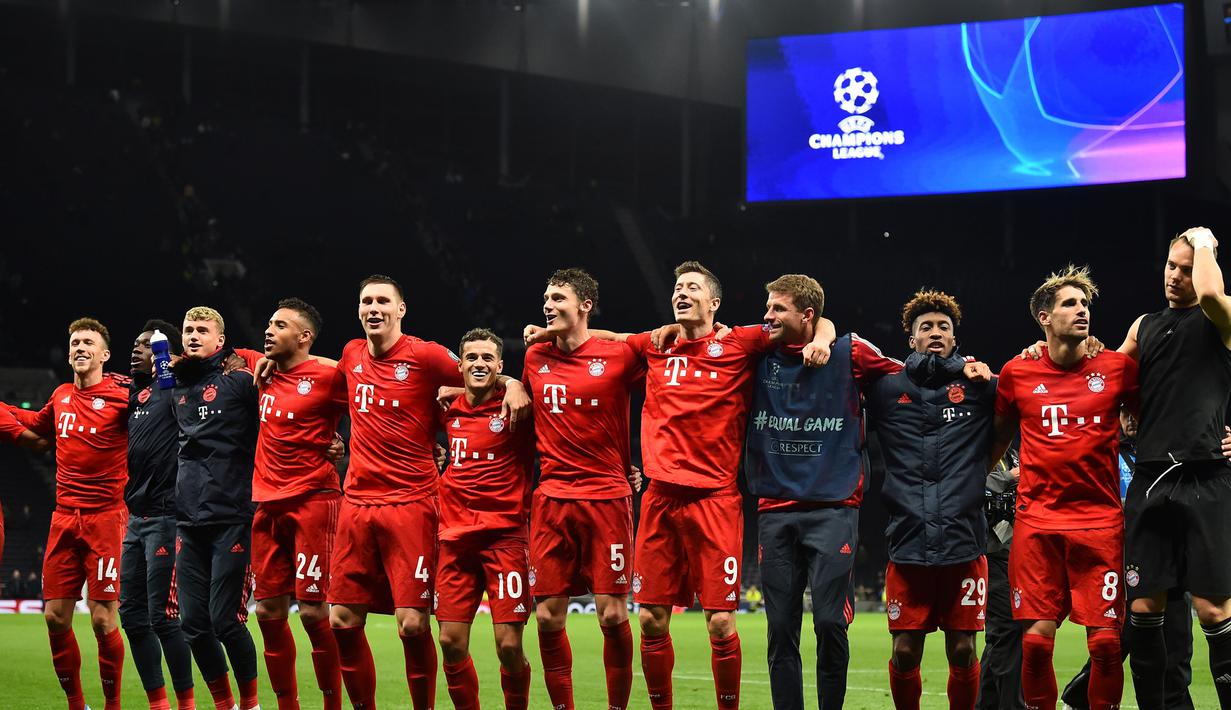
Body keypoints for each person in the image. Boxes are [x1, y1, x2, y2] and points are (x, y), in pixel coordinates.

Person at [526, 260, 835, 709]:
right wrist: (548, 335)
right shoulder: (655, 346)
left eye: (691, 287)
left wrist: (823, 338)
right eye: (676, 288)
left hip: (714, 500)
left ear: (714, 302)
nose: (681, 292)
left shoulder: (740, 342)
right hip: (659, 500)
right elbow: (602, 341)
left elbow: (810, 317)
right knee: (651, 620)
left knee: (721, 625)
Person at [327, 275, 528, 710]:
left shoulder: (428, 355)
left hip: (413, 503)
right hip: (356, 503)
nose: (374, 308)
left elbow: (481, 372)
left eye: (383, 301)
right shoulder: (351, 353)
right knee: (340, 620)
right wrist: (260, 360)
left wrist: (514, 383)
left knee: (414, 626)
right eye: (367, 301)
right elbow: (326, 379)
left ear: (401, 309)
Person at [743, 274, 898, 710]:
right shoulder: (754, 353)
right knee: (780, 630)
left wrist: (968, 369)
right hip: (774, 509)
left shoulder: (850, 352)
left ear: (807, 315)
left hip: (833, 509)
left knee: (830, 623)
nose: (766, 316)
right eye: (767, 307)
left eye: (777, 309)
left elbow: (908, 378)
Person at [991, 266, 1138, 710]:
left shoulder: (1117, 368)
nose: (1082, 311)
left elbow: (1157, 418)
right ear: (1044, 318)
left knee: (1107, 646)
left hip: (1100, 523)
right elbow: (995, 442)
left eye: (1086, 304)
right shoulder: (1017, 372)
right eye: (1070, 304)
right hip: (1036, 525)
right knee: (1035, 644)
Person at [866, 290, 996, 710]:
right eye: (926, 327)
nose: (936, 333)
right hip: (907, 539)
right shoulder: (886, 388)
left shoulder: (978, 386)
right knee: (905, 651)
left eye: (944, 327)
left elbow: (1021, 400)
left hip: (964, 539)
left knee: (962, 650)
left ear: (955, 339)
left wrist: (995, 376)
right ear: (911, 339)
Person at [1118, 227, 1231, 709]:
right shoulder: (1143, 326)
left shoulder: (1221, 319)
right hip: (1149, 480)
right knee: (1144, 607)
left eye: (1187, 268)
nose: (1177, 277)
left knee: (1212, 610)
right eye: (1171, 266)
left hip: (1205, 479)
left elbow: (1210, 292)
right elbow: (1100, 379)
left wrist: (1205, 240)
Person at [520, 268, 643, 710]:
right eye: (546, 298)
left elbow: (640, 343)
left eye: (558, 298)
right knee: (549, 616)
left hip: (607, 497)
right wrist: (515, 384)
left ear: (585, 306)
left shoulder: (620, 354)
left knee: (613, 613)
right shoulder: (534, 358)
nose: (548, 305)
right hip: (552, 498)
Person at [1, 318, 130, 710]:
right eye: (75, 341)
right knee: (56, 617)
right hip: (62, 518)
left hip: (106, 518)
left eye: (89, 342)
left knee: (103, 619)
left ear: (104, 354)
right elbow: (37, 429)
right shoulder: (59, 397)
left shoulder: (124, 393)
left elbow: (160, 414)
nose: (80, 347)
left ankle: (112, 705)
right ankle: (77, 705)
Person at [1060, 410, 1196, 710]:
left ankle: (1078, 696)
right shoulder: (1106, 451)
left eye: (1136, 411)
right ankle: (1081, 695)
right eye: (1123, 413)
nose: (1130, 419)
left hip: (1169, 555)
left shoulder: (1172, 451)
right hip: (1121, 559)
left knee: (1177, 640)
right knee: (1125, 635)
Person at [252, 298, 347, 710]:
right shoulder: (259, 369)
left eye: (280, 325)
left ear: (304, 337)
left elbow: (378, 399)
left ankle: (331, 705)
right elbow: (223, 353)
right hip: (266, 504)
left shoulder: (330, 376)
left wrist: (347, 447)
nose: (269, 330)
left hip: (314, 499)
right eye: (269, 323)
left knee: (313, 613)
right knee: (268, 612)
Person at [436, 328, 534, 710]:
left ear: (500, 365)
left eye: (488, 358)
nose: (480, 364)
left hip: (505, 538)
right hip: (455, 538)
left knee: (509, 645)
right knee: (450, 642)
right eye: (472, 358)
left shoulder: (519, 406)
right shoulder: (446, 406)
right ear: (460, 365)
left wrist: (514, 384)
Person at [171, 305, 263, 710]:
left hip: (233, 516)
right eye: (188, 329)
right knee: (192, 624)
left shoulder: (241, 381)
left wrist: (330, 441)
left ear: (220, 341)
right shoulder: (175, 386)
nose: (192, 335)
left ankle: (251, 704)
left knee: (226, 621)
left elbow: (281, 421)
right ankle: (224, 705)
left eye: (201, 330)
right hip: (188, 520)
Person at [124, 320, 196, 710]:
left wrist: (164, 353)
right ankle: (159, 704)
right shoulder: (134, 395)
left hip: (167, 516)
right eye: (134, 344)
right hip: (135, 518)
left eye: (144, 345)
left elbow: (173, 377)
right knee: (132, 617)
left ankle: (186, 704)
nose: (135, 349)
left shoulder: (174, 391)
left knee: (163, 617)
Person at [977, 452, 1025, 710]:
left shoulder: (1012, 453)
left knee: (1000, 635)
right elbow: (970, 483)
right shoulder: (978, 447)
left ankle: (984, 704)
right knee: (1008, 629)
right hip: (990, 552)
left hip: (1012, 550)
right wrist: (1008, 478)